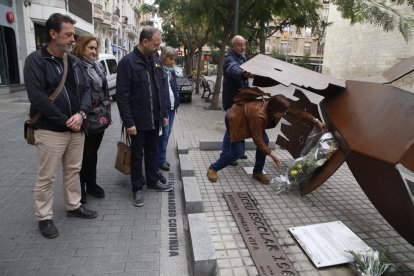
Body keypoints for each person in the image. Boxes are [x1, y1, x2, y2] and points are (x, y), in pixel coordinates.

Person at [24, 13, 98, 239]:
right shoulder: (35, 61)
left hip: (76, 128)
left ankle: (74, 206)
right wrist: (65, 120)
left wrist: (82, 114)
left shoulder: (73, 61)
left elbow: (86, 90)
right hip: (50, 130)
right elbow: (37, 98)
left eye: (73, 35)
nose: (73, 39)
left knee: (73, 170)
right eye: (68, 34)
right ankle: (44, 217)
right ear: (53, 34)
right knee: (46, 177)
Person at [206, 88, 326, 184]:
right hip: (236, 119)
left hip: (248, 118)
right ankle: (213, 168)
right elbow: (257, 139)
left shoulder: (276, 106)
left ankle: (257, 172)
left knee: (265, 140)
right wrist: (272, 154)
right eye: (283, 112)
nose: (284, 114)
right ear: (274, 109)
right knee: (237, 152)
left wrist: (316, 121)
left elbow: (297, 112)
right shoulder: (259, 115)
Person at [116, 26, 173, 208]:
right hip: (137, 121)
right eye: (156, 44)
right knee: (137, 155)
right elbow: (122, 96)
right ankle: (137, 188)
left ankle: (153, 181)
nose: (159, 48)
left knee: (152, 152)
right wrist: (128, 122)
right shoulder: (127, 63)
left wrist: (163, 113)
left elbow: (160, 88)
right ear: (145, 42)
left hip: (155, 119)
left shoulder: (155, 60)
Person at [72, 35, 108, 204]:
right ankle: (80, 189)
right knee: (83, 156)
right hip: (84, 117)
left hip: (99, 117)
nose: (94, 51)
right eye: (90, 48)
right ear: (81, 47)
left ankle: (91, 184)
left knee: (92, 153)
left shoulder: (98, 66)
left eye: (95, 48)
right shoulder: (75, 66)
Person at [222, 35, 253, 164]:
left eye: (244, 44)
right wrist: (243, 73)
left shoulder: (242, 58)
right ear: (233, 46)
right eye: (240, 45)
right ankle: (226, 154)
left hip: (241, 100)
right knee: (231, 127)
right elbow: (234, 70)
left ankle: (238, 152)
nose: (242, 47)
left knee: (240, 126)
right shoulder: (229, 59)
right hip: (232, 100)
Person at [158, 46, 180, 171]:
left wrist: (177, 101)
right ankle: (160, 160)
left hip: (172, 108)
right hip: (164, 109)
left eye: (173, 59)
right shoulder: (159, 70)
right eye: (170, 58)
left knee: (167, 134)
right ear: (164, 57)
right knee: (163, 135)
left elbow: (173, 87)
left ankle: (161, 158)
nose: (172, 61)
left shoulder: (171, 71)